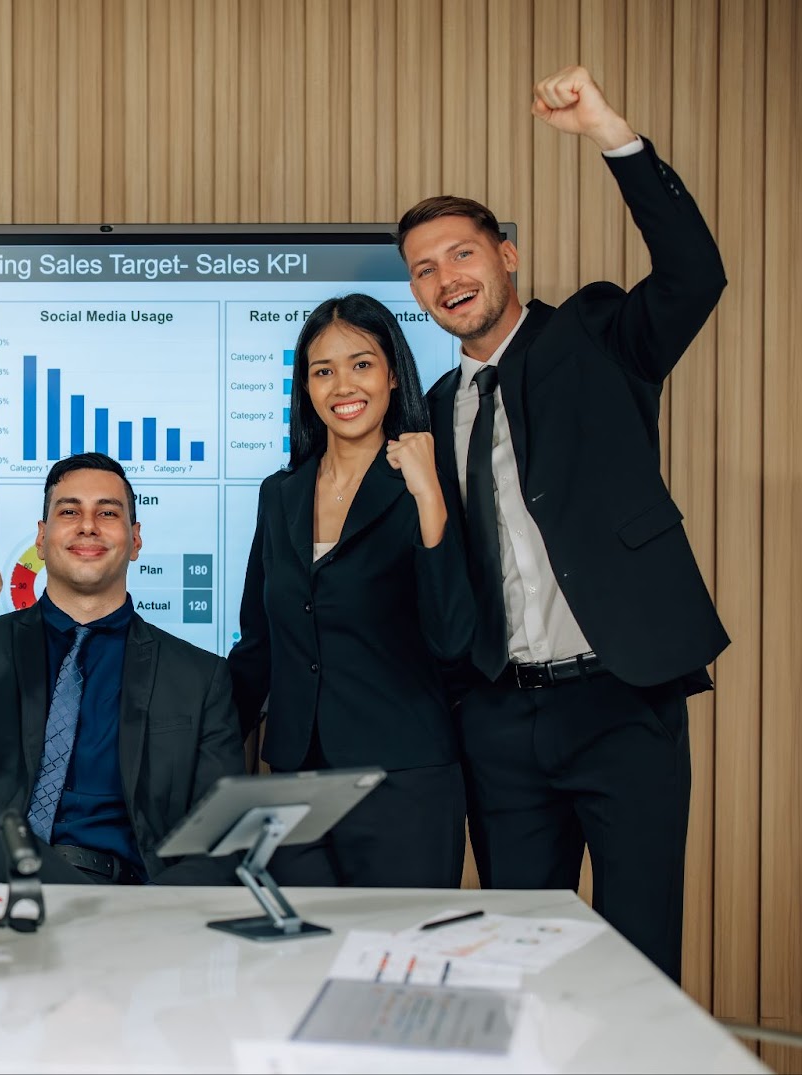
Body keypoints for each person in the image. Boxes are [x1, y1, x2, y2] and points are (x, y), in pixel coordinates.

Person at [397, 65, 727, 981]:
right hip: (501, 720)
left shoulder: (597, 339)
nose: (444, 278)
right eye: (423, 270)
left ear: (505, 254)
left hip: (622, 702)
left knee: (636, 965)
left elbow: (697, 273)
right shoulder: (429, 412)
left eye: (460, 253)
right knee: (515, 966)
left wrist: (609, 133)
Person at [0, 452, 243, 885]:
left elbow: (221, 839)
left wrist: (152, 913)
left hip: (126, 899)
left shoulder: (199, 676)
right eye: (69, 511)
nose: (88, 525)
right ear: (41, 540)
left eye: (108, 512)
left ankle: (84, 921)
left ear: (135, 541)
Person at [228, 294, 474, 889]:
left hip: (404, 777)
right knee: (302, 969)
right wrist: (194, 742)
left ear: (393, 372)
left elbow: (452, 637)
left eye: (361, 364)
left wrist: (430, 496)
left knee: (392, 968)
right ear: (306, 388)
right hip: (295, 781)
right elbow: (259, 644)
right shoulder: (279, 493)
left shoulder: (431, 484)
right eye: (323, 370)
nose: (344, 385)